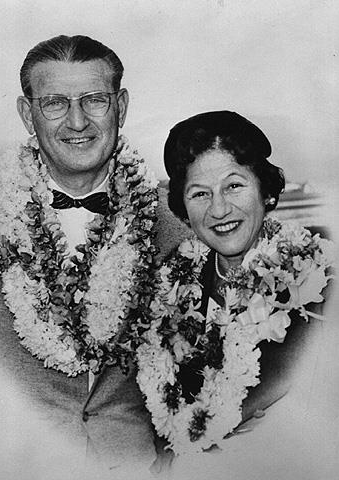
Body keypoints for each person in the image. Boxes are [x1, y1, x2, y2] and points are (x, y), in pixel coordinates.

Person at [0, 35, 188, 479]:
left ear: (122, 106)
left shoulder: (172, 224)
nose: (77, 122)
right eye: (55, 103)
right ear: (27, 114)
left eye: (94, 100)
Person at [136, 111, 335, 479]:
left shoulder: (319, 281)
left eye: (233, 186)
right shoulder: (170, 292)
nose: (219, 209)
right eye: (199, 194)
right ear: (182, 210)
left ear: (265, 190)